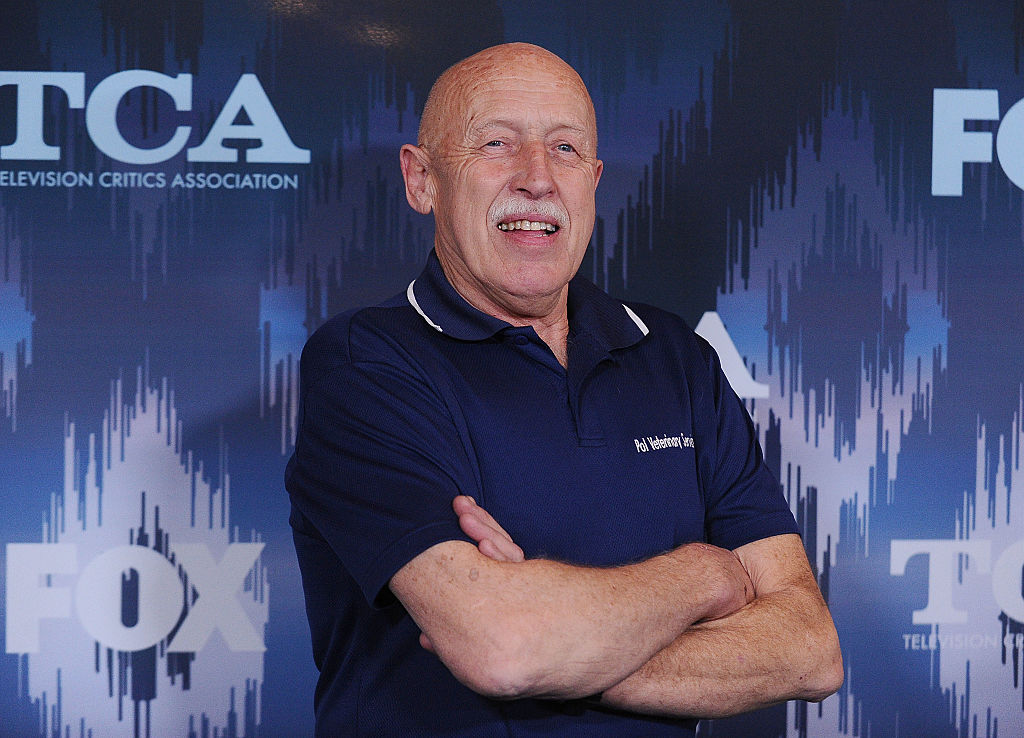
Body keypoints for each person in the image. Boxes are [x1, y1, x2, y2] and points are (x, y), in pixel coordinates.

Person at [285, 42, 843, 736]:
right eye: (496, 143)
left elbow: (809, 652)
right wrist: (705, 576)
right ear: (422, 179)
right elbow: (503, 649)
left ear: (594, 180)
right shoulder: (365, 364)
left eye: (566, 149)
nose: (538, 178)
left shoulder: (676, 358)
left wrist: (557, 645)